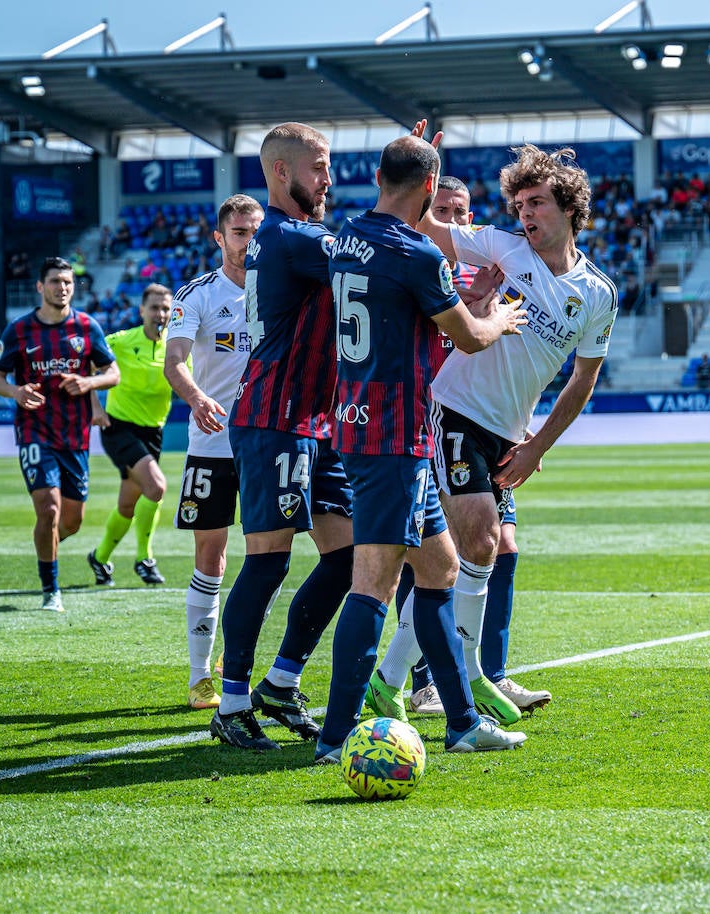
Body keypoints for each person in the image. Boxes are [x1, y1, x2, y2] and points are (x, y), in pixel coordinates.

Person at [314, 135, 530, 762]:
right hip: (393, 434)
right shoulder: (416, 255)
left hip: (364, 423)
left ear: (377, 175)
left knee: (439, 570)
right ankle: (335, 737)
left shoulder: (347, 233)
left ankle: (461, 722)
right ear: (433, 191)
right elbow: (468, 339)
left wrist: (417, 160)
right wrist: (501, 319)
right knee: (374, 584)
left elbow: (405, 204)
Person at [407, 140, 617, 718]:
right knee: (467, 543)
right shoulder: (502, 247)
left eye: (537, 203)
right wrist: (425, 167)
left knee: (488, 549)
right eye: (519, 203)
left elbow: (581, 381)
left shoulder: (597, 294)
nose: (525, 213)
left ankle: (463, 674)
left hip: (508, 435)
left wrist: (535, 447)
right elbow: (423, 227)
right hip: (453, 408)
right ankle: (450, 680)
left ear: (570, 208)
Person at [368, 175, 537, 720]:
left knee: (499, 547)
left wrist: (522, 418)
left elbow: (514, 352)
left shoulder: (493, 270)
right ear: (425, 209)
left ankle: (492, 672)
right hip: (432, 421)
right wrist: (472, 305)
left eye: (462, 211)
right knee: (438, 555)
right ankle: (423, 680)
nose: (455, 220)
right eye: (443, 208)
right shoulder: (418, 263)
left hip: (492, 427)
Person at [210, 122, 356, 752]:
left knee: (349, 559)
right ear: (279, 172)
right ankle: (233, 702)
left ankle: (280, 682)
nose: (327, 179)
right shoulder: (291, 236)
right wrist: (408, 190)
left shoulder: (300, 236)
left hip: (315, 422)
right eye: (318, 167)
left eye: (328, 167)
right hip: (274, 419)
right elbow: (372, 257)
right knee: (268, 561)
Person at [163, 193, 264, 711]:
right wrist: (198, 397)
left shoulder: (281, 289)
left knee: (270, 555)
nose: (249, 241)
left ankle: (238, 656)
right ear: (219, 238)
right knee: (212, 555)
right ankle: (200, 673)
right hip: (212, 444)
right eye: (240, 233)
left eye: (255, 231)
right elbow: (175, 360)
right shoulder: (197, 295)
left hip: (270, 442)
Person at [0, 257, 120, 612]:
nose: (62, 287)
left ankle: (46, 545)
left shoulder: (87, 327)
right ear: (40, 287)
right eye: (55, 281)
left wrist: (90, 381)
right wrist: (15, 392)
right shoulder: (18, 330)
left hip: (74, 437)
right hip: (34, 432)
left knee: (72, 521)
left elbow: (113, 372)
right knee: (49, 508)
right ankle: (51, 589)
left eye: (67, 282)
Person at [85, 285, 176, 588]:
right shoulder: (122, 342)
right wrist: (95, 405)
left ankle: (99, 558)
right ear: (141, 311)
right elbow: (87, 361)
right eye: (154, 307)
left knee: (128, 505)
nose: (160, 314)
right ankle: (144, 559)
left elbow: (188, 380)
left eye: (165, 308)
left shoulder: (176, 346)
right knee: (157, 486)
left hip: (153, 432)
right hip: (118, 427)